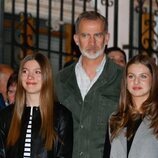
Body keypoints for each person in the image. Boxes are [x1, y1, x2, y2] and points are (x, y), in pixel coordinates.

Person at [55, 11, 123, 158]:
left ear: (106, 38)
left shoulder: (123, 79)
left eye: (97, 35)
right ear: (76, 39)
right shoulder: (60, 79)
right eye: (85, 35)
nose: (92, 43)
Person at [0, 52, 73, 158]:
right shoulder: (5, 116)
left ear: (46, 76)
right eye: (25, 71)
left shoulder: (62, 116)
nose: (30, 76)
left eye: (37, 72)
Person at [108, 54, 158, 158]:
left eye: (143, 76)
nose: (136, 81)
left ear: (153, 80)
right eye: (131, 76)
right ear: (125, 81)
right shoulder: (115, 119)